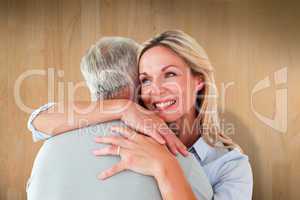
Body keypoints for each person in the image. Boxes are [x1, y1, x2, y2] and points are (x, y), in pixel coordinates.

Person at [30, 30, 253, 199]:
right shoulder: (122, 131)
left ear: (198, 80)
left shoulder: (229, 166)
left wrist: (164, 165)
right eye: (146, 80)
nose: (156, 90)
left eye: (170, 74)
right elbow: (38, 122)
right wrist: (124, 108)